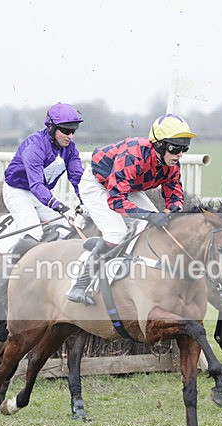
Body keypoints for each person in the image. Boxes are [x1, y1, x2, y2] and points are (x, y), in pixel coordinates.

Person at [67, 113, 195, 305]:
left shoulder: (172, 164)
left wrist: (173, 211)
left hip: (129, 187)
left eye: (184, 148)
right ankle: (79, 285)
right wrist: (149, 215)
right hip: (98, 185)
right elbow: (116, 200)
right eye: (175, 148)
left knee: (157, 228)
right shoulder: (133, 155)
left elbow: (174, 192)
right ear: (159, 144)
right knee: (117, 233)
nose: (180, 154)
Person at [2, 102, 85, 242]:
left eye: (73, 131)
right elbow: (36, 185)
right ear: (51, 128)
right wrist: (59, 206)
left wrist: (85, 201)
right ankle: (14, 263)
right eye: (65, 130)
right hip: (18, 191)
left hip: (41, 194)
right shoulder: (34, 146)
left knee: (68, 230)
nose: (70, 136)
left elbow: (77, 178)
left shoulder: (70, 148)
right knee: (33, 235)